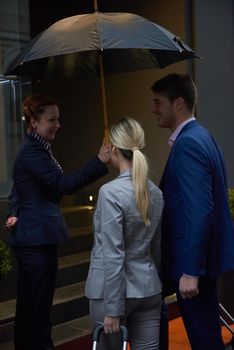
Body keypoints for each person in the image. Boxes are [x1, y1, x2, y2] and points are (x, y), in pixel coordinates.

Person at [5, 95, 110, 350]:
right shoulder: (33, 151)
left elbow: (20, 186)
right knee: (37, 312)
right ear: (34, 122)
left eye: (58, 119)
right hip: (35, 240)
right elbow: (64, 185)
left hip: (35, 237)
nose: (58, 125)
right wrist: (99, 161)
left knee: (31, 309)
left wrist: (16, 209)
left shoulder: (38, 148)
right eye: (51, 120)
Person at [151, 73, 234, 350]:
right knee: (208, 337)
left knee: (205, 340)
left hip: (191, 264)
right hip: (202, 260)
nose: (154, 109)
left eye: (157, 102)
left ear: (178, 103)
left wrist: (190, 271)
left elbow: (200, 210)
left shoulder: (188, 143)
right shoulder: (203, 136)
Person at [85, 117, 164, 350]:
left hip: (111, 293)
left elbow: (113, 254)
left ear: (114, 149)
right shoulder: (156, 193)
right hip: (148, 287)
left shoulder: (109, 193)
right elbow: (157, 248)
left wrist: (113, 309)